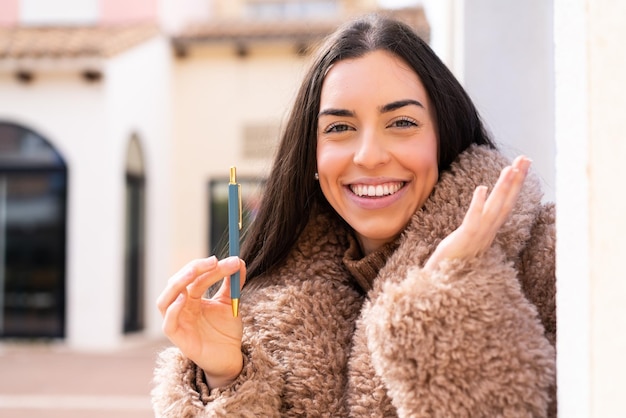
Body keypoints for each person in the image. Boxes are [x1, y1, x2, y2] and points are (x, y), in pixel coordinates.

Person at [152, 13, 556, 417]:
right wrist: (225, 379)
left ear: (443, 135)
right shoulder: (261, 319)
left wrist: (446, 302)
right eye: (340, 128)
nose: (369, 156)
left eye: (401, 122)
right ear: (311, 154)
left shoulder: (550, 265)